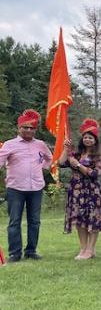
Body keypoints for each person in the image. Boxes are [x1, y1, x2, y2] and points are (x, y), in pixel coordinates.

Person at [0, 109, 52, 262]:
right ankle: (14, 254)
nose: (29, 130)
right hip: (16, 188)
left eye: (32, 128)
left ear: (35, 129)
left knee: (34, 221)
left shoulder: (41, 145)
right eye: (25, 127)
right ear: (19, 128)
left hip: (36, 188)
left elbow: (49, 158)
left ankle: (31, 250)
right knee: (14, 221)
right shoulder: (10, 145)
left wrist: (42, 167)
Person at [58, 119, 101, 260]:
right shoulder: (76, 154)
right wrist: (66, 150)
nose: (87, 139)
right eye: (85, 137)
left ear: (95, 140)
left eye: (90, 137)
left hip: (92, 192)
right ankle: (83, 248)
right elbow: (60, 163)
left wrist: (78, 165)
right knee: (80, 220)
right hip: (77, 191)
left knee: (93, 219)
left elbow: (95, 174)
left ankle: (91, 249)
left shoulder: (98, 156)